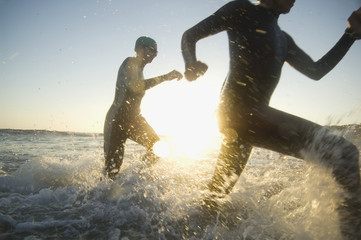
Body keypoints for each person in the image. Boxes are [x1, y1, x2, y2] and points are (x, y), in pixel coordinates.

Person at [181, 0, 361, 238]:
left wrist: (350, 34)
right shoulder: (241, 9)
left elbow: (317, 71)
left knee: (216, 194)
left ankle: (180, 228)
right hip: (240, 112)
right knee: (342, 152)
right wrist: (190, 62)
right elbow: (190, 35)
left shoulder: (283, 38)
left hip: (245, 119)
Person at [104, 36, 182, 179]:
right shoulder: (130, 62)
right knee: (112, 171)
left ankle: (132, 179)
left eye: (156, 53)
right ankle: (96, 198)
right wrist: (165, 77)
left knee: (158, 148)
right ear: (140, 49)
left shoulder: (140, 70)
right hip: (117, 119)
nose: (154, 55)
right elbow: (135, 87)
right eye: (151, 50)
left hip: (134, 119)